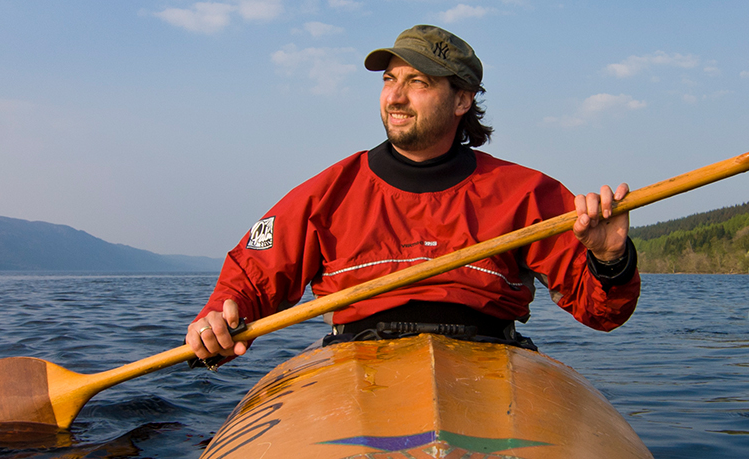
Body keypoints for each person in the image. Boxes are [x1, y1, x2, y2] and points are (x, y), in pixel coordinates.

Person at [185, 24, 639, 364]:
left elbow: (602, 313)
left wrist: (610, 259)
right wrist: (219, 323)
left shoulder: (526, 194)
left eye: (418, 82)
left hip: (490, 359)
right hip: (355, 363)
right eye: (389, 79)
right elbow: (249, 278)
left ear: (462, 100)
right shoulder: (328, 193)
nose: (395, 97)